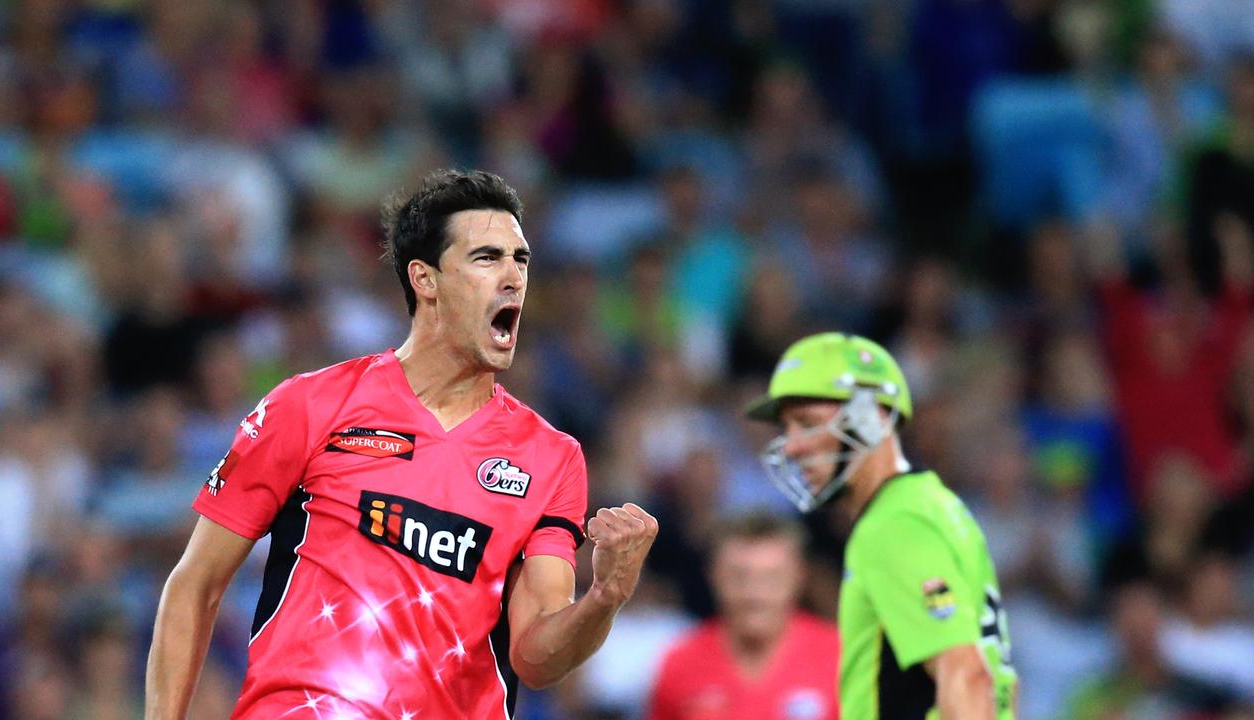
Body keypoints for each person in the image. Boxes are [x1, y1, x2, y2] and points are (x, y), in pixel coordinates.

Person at [145, 169, 659, 719]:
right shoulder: (310, 405)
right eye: (487, 258)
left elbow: (535, 658)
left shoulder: (552, 458)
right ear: (425, 279)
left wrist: (605, 597)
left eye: (522, 259)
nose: (514, 277)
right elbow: (194, 586)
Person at [745, 332, 1017, 719]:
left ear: (873, 417)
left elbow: (966, 675)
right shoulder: (937, 505)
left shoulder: (893, 524)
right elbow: (999, 679)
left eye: (807, 423)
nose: (791, 446)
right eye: (785, 428)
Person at [647, 512, 841, 720]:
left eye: (771, 577)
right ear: (713, 575)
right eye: (739, 577)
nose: (755, 594)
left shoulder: (839, 657)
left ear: (799, 576)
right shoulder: (680, 663)